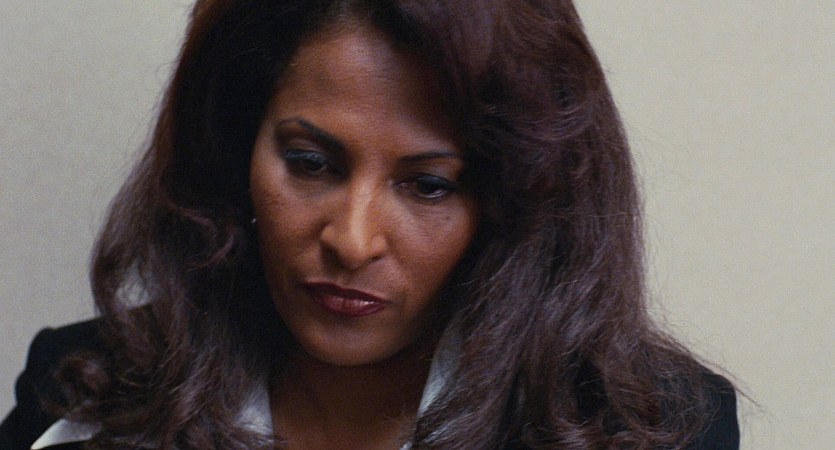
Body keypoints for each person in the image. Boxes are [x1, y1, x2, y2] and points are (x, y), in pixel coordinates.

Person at [1, 0, 739, 449]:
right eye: (310, 163)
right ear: (236, 150)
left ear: (515, 200)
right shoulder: (81, 387)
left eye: (427, 185)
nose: (352, 241)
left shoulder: (654, 427)